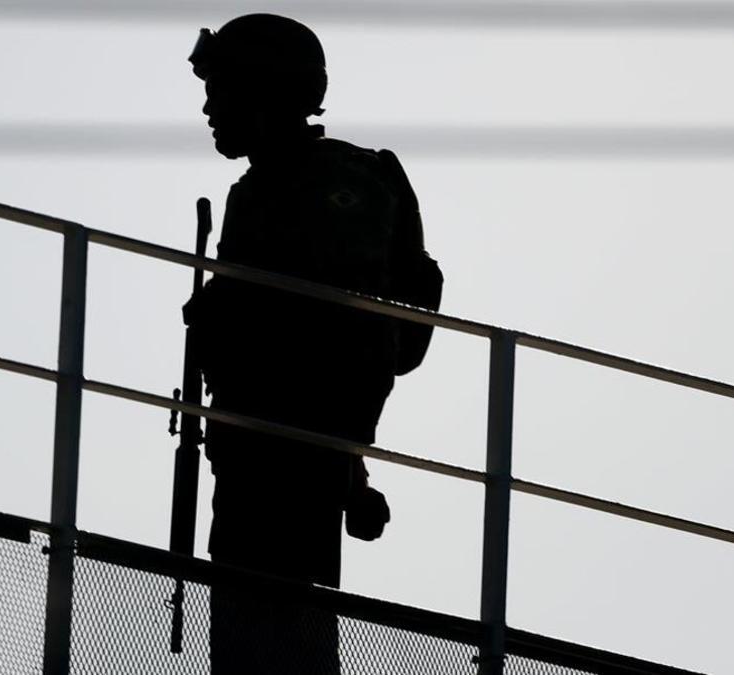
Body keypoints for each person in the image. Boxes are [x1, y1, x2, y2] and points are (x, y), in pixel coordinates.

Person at [185, 13, 442, 674]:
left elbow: (347, 340)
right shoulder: (258, 193)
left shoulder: (338, 185)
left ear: (265, 88)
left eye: (223, 89)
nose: (210, 107)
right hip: (256, 459)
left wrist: (345, 464)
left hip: (286, 468)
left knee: (276, 646)